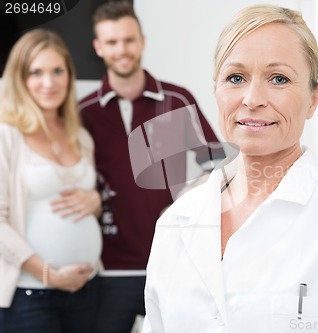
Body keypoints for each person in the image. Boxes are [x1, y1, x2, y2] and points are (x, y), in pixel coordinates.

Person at [142, 4, 318, 333]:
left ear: (313, 98)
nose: (253, 98)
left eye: (279, 78)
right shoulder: (176, 222)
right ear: (216, 89)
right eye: (235, 77)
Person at [78, 2, 225, 332]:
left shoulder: (176, 99)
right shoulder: (83, 111)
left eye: (129, 40)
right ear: (98, 48)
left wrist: (185, 201)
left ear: (142, 41)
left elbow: (219, 167)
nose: (122, 50)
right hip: (109, 269)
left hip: (172, 261)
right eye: (112, 43)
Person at [0, 29, 102, 332]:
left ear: (69, 75)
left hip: (86, 289)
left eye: (58, 71)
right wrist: (48, 274)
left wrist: (95, 201)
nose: (49, 83)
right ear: (21, 78)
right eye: (36, 72)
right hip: (29, 295)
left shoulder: (80, 136)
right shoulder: (7, 134)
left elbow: (85, 206)